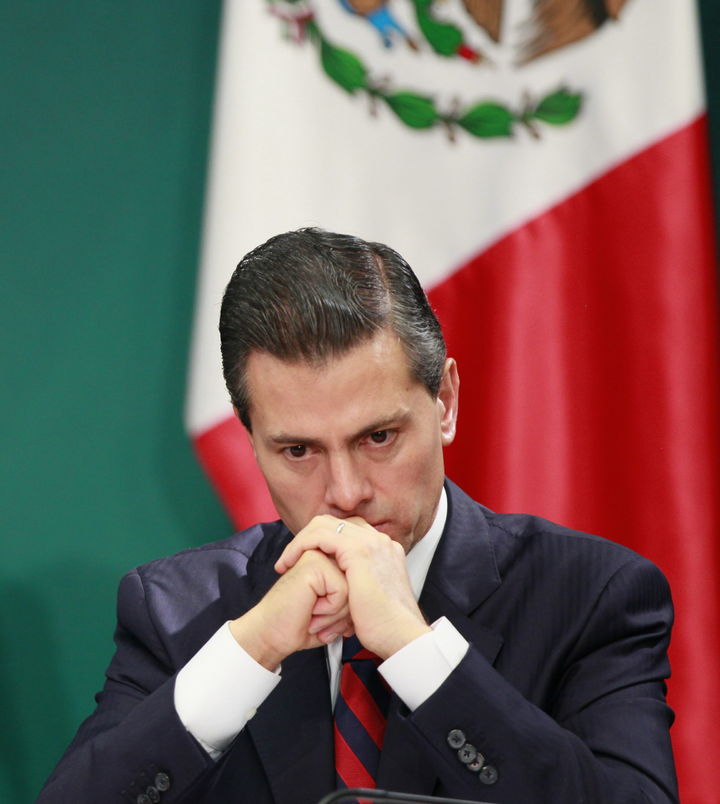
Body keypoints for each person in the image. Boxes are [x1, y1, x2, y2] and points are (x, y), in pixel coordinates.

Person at [37, 229, 678, 804]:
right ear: (251, 440)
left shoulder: (590, 596)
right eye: (298, 451)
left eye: (378, 438)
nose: (345, 493)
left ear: (445, 401)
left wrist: (415, 649)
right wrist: (253, 650)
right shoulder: (176, 611)